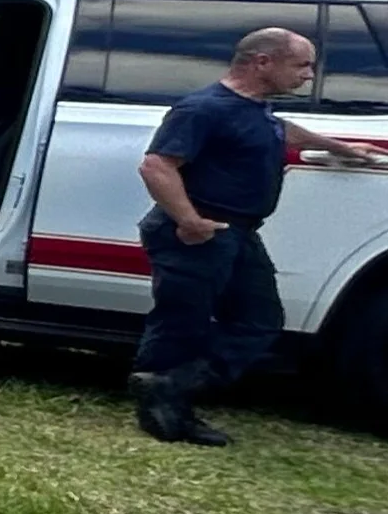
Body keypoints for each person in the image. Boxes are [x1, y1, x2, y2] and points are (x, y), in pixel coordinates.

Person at [130, 26, 383, 444]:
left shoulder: (255, 107)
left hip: (240, 232)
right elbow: (156, 166)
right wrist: (190, 221)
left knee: (259, 321)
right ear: (262, 62)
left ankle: (169, 388)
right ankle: (165, 413)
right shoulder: (203, 108)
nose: (308, 75)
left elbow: (285, 132)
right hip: (199, 230)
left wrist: (346, 148)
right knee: (181, 323)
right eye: (301, 65)